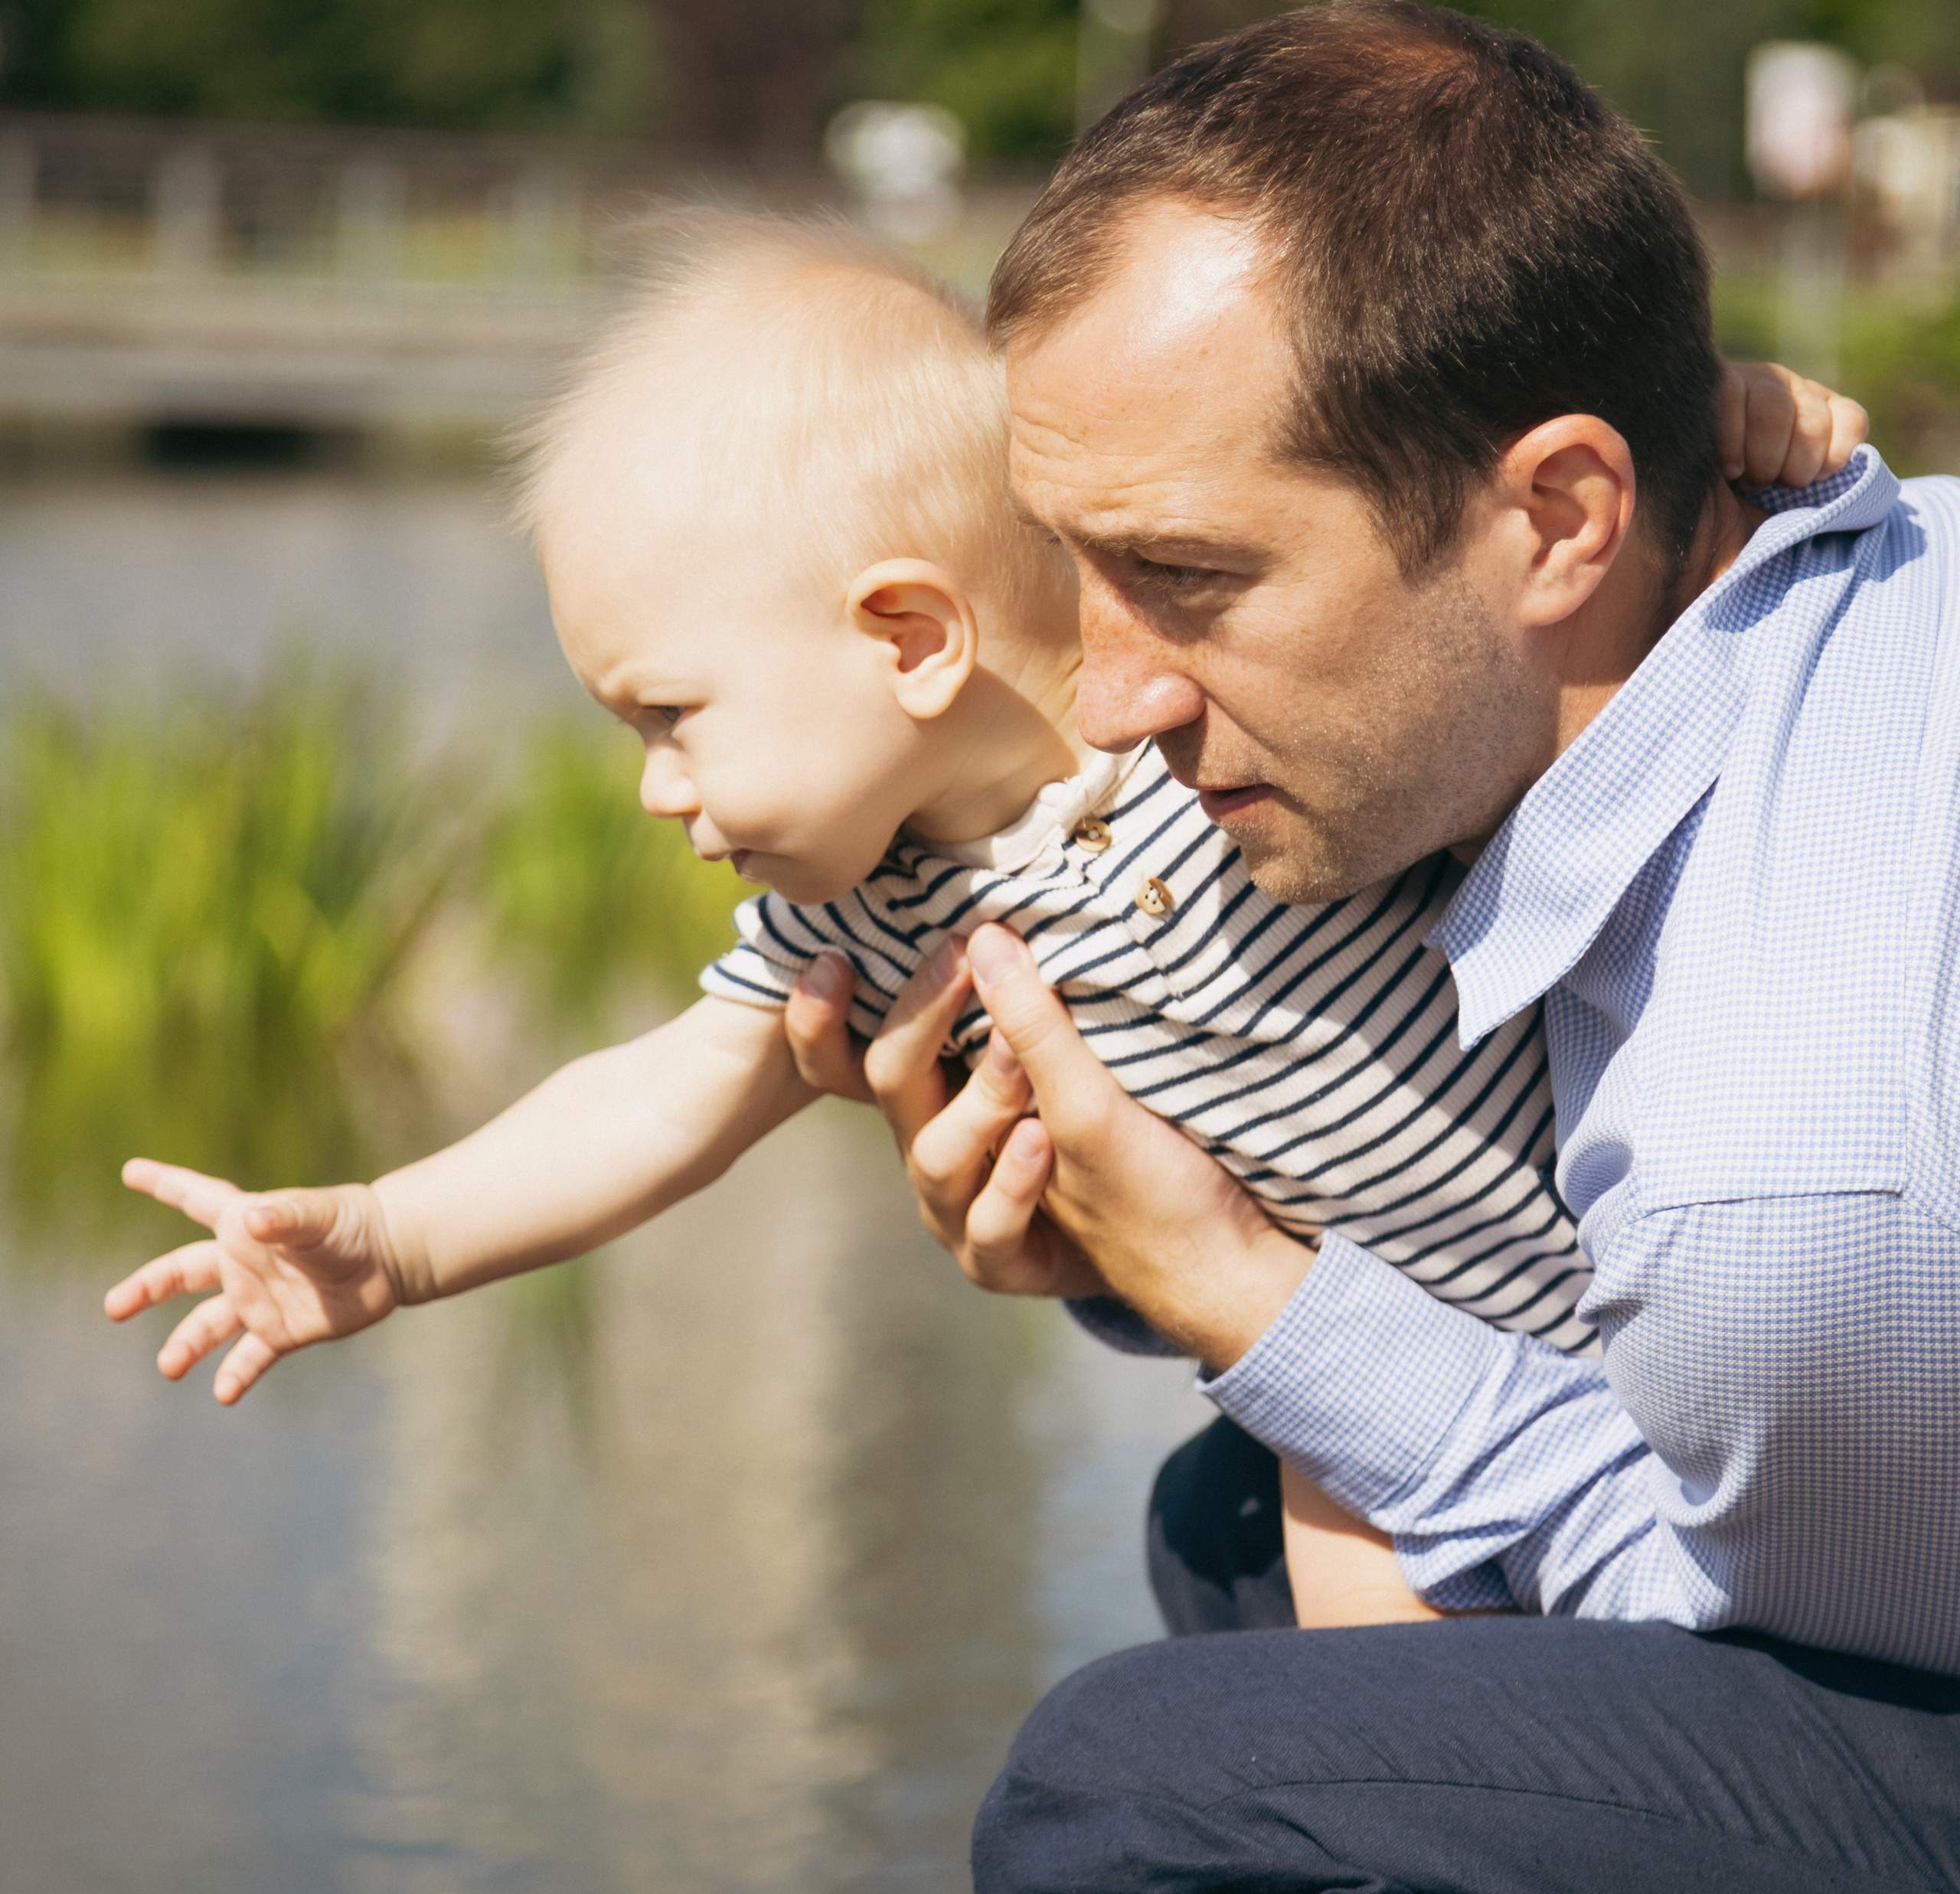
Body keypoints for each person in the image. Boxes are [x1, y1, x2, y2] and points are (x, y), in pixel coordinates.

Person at [103, 217, 1843, 1629]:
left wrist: (1725, 429)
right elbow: (657, 1091)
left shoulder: (1232, 729)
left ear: (911, 639)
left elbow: (1545, 650)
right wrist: (394, 1239)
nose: (652, 788)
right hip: (1371, 1355)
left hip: (1697, 1286)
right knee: (1349, 1632)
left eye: (670, 715)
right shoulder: (870, 918)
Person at [778, 5, 1960, 1894]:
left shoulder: (1777, 1184)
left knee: (1135, 1805)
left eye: (1193, 577)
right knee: (1241, 1534)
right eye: (1072, 567)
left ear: (1560, 515)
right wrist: (1132, 1250)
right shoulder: (1790, 580)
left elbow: (1734, 1601)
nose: (1105, 694)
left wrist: (1247, 1291)